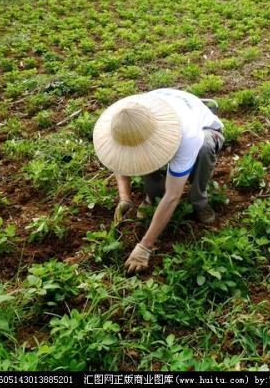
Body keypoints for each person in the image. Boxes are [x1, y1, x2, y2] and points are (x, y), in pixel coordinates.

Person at [93, 88, 224, 274]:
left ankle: (199, 201)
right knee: (144, 156)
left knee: (204, 148)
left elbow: (173, 195)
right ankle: (153, 196)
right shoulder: (126, 118)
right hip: (162, 116)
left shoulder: (188, 135)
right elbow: (119, 158)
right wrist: (125, 198)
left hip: (204, 129)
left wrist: (145, 246)